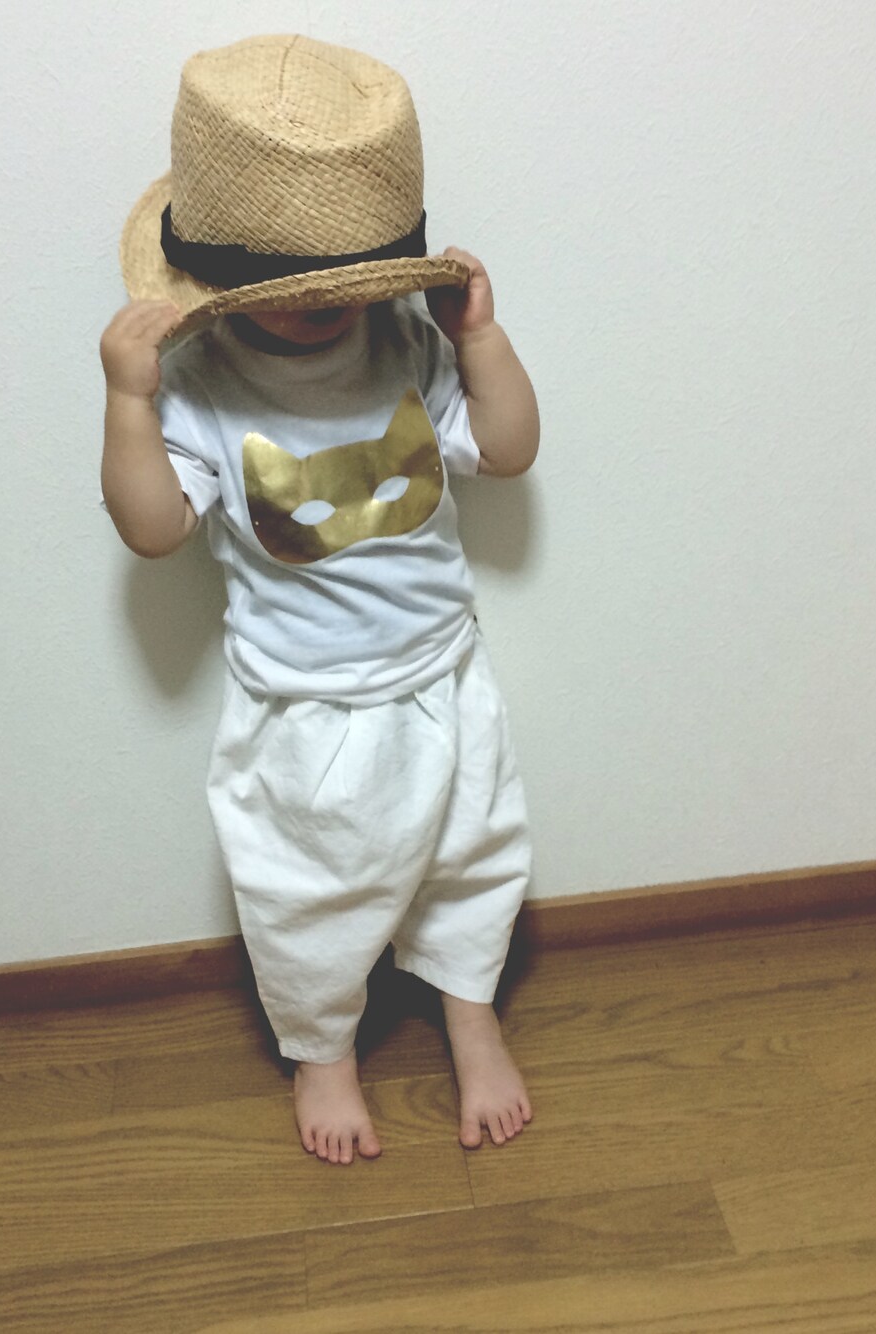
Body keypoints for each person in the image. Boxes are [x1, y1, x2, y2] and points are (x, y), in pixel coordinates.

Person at [100, 34, 540, 1165]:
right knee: (307, 890)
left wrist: (481, 341)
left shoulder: (407, 339)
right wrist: (129, 407)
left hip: (443, 673)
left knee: (473, 854)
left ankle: (471, 1012)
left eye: (344, 283)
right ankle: (324, 1048)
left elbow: (508, 451)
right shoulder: (201, 382)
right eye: (292, 288)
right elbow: (153, 530)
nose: (321, 308)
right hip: (303, 705)